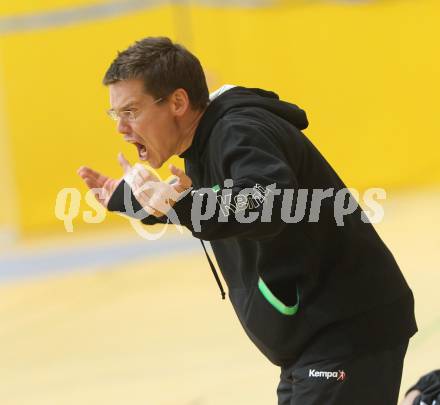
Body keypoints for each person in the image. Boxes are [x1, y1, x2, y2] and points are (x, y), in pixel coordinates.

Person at [77, 36, 417, 404]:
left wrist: (184, 205)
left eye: (131, 111)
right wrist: (140, 201)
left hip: (346, 329)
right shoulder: (202, 144)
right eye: (116, 114)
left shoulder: (238, 130)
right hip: (315, 338)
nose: (121, 127)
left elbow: (266, 203)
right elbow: (223, 206)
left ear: (177, 102)